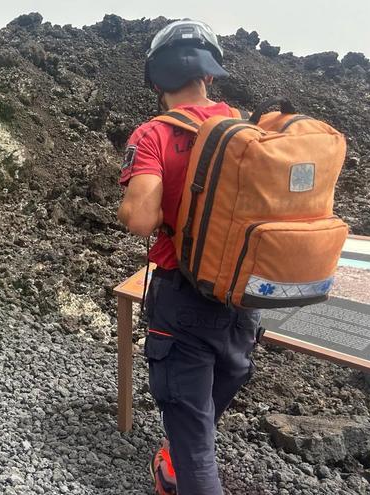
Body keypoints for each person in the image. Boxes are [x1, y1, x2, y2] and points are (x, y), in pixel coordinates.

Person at [117, 20, 261, 495]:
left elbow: (139, 219)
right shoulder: (248, 131)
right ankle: (175, 459)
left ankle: (182, 466)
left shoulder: (155, 134)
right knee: (205, 410)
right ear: (211, 75)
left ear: (157, 82)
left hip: (184, 297)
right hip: (242, 299)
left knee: (195, 444)